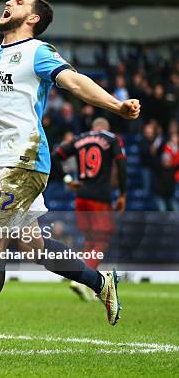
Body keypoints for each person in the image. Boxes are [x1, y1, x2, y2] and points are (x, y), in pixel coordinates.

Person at [0, 0, 140, 356]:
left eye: (20, 2)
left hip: (23, 159)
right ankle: (99, 280)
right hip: (1, 161)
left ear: (33, 19)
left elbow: (74, 81)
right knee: (33, 246)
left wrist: (115, 105)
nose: (9, 3)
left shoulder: (39, 51)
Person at [53, 117, 127, 301]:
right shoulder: (111, 138)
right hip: (100, 197)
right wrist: (123, 194)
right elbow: (121, 164)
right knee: (102, 240)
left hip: (81, 197)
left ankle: (81, 276)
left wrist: (68, 180)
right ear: (106, 127)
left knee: (90, 240)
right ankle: (82, 280)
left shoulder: (80, 138)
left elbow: (55, 156)